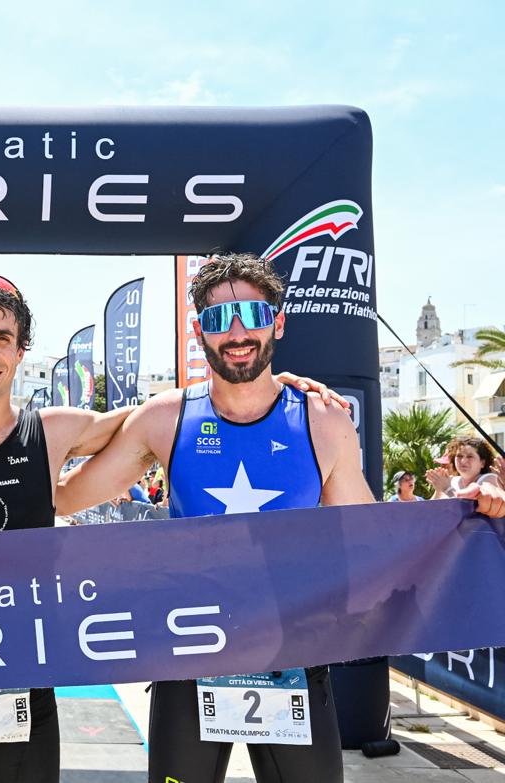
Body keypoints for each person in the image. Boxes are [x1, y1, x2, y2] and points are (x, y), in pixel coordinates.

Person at [0, 272, 353, 783]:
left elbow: (156, 414)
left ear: (22, 351)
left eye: (1, 337)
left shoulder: (57, 433)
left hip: (34, 679)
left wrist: (261, 380)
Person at [53, 253, 505, 783]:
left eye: (254, 314)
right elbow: (63, 497)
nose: (238, 331)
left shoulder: (321, 419)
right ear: (200, 332)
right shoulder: (165, 417)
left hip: (292, 652)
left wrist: (471, 504)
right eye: (220, 319)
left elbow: (376, 539)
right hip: (191, 655)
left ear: (279, 322)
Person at [427, 436, 502, 499]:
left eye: (470, 456)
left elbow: (464, 509)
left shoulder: (490, 479)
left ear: (482, 463)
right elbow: (429, 510)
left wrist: (446, 488)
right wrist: (438, 490)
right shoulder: (452, 481)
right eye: (459, 456)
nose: (463, 461)